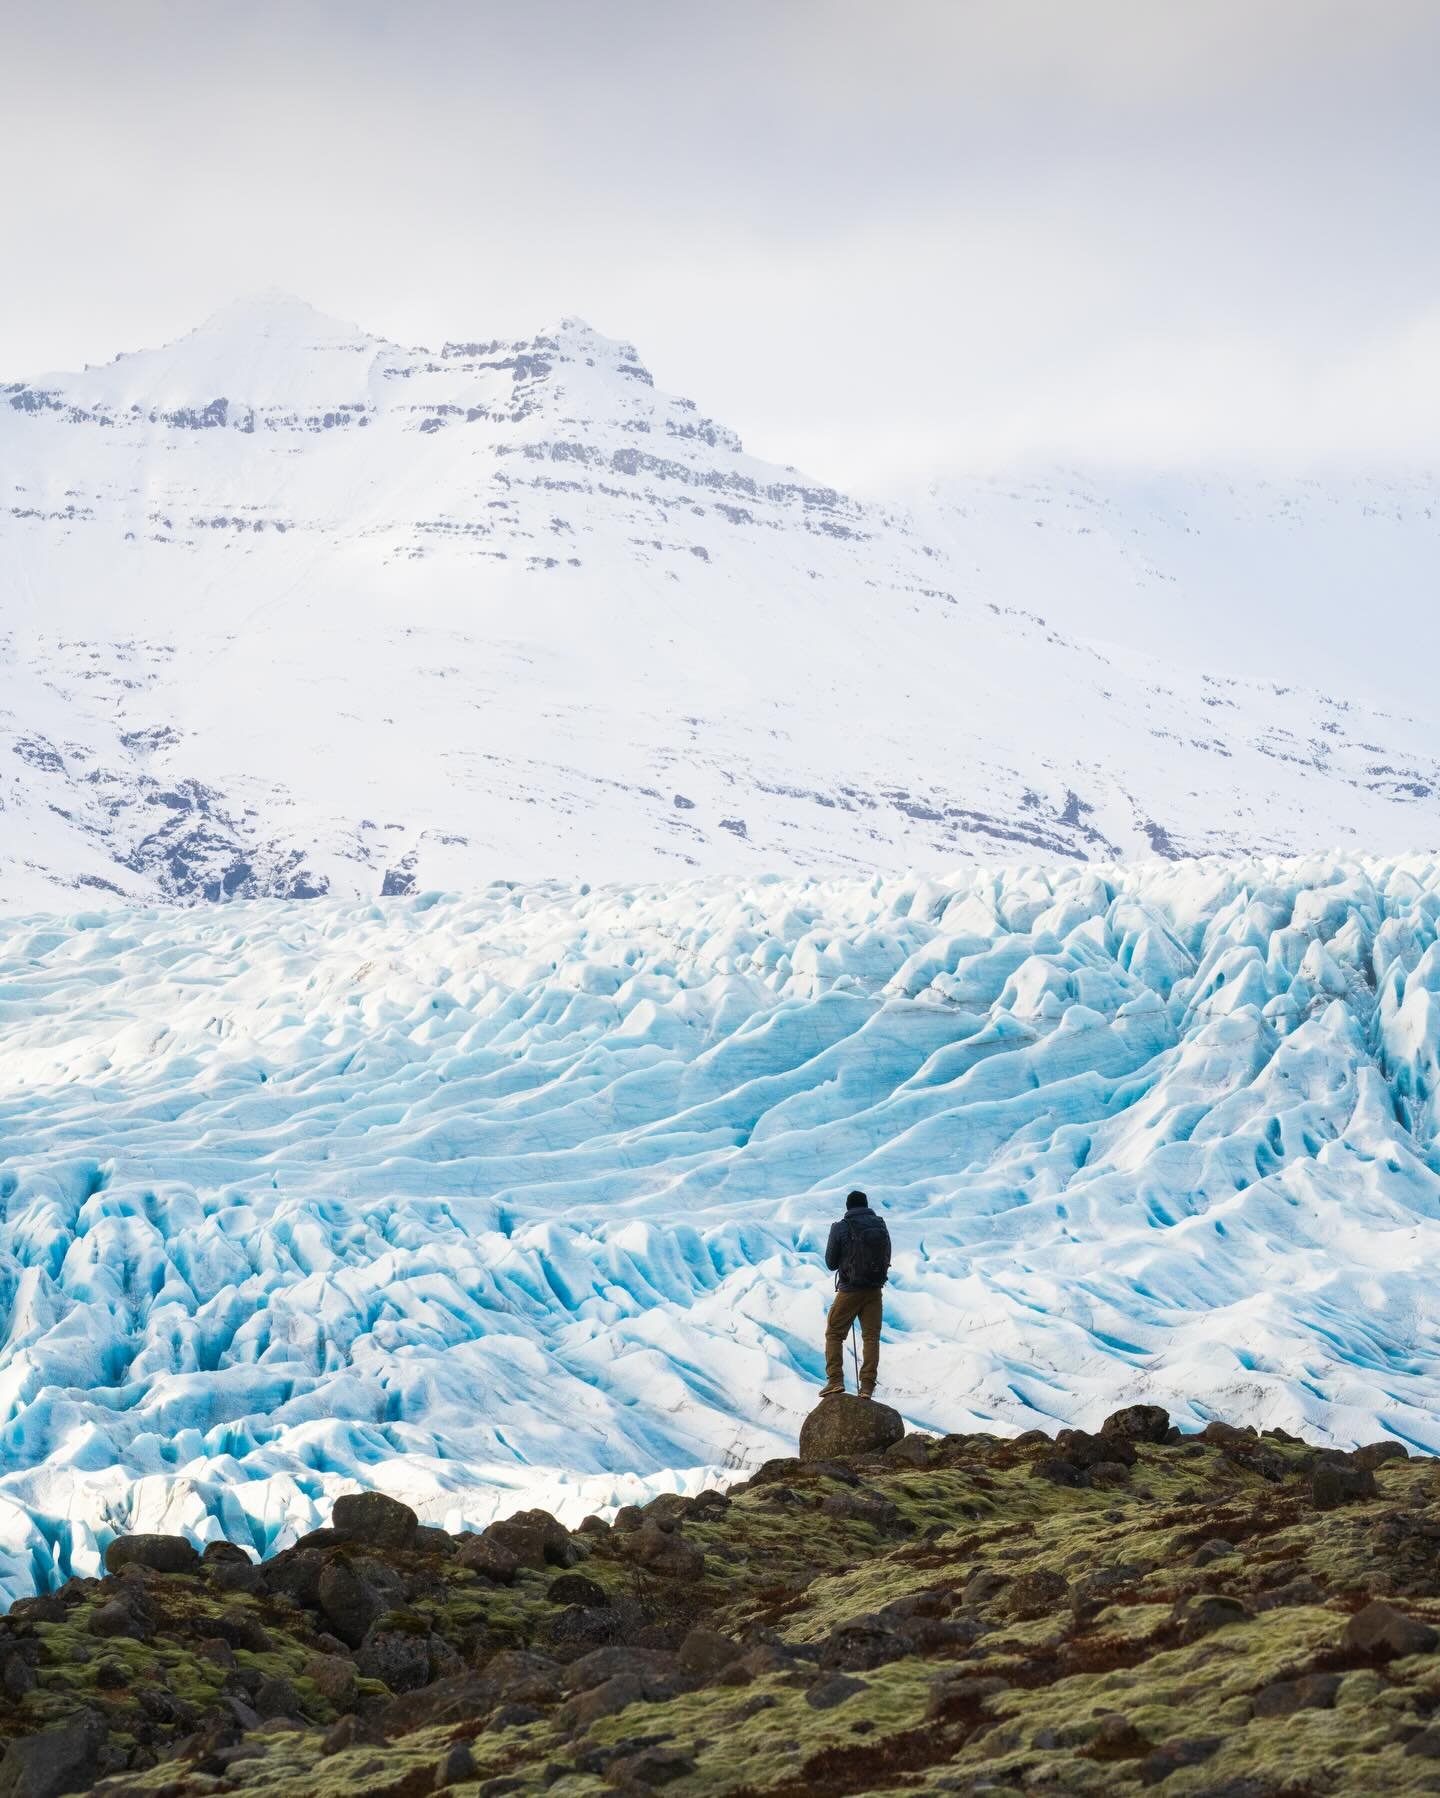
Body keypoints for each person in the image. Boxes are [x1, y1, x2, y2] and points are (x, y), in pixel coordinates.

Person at [819, 1189, 891, 1399]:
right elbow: (887, 1253)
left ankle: (835, 1381)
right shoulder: (880, 1225)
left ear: (848, 1207)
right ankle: (867, 1387)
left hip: (850, 1290)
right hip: (875, 1289)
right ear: (866, 1205)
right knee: (871, 1337)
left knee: (834, 1333)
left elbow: (831, 1262)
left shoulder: (841, 1227)